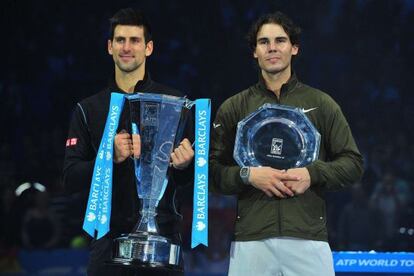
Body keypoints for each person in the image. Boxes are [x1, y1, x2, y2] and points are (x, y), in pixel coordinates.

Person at [210, 11, 364, 276]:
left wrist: (311, 173)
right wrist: (248, 175)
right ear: (254, 52)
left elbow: (353, 164)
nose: (272, 48)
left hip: (308, 238)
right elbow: (211, 173)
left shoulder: (322, 104)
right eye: (263, 42)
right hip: (251, 239)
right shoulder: (234, 107)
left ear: (294, 48)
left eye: (280, 41)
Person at [63, 8, 194, 276]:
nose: (126, 47)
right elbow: (70, 179)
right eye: (120, 40)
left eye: (135, 40)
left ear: (149, 48)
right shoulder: (89, 109)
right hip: (108, 248)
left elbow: (193, 183)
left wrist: (186, 166)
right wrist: (106, 157)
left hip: (163, 243)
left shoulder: (176, 104)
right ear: (110, 47)